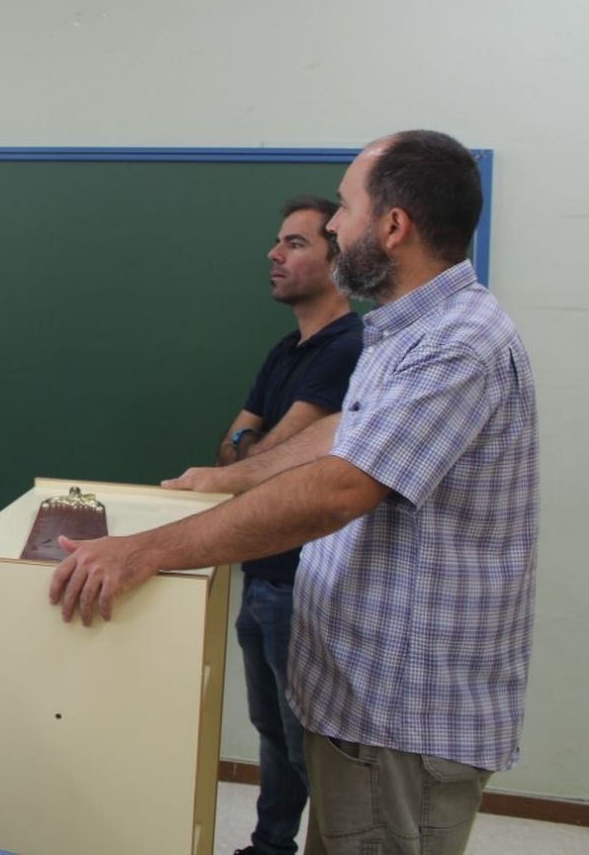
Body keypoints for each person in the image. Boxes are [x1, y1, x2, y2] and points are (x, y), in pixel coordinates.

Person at [49, 131, 537, 855]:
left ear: (394, 225)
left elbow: (340, 488)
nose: (336, 227)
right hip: (361, 708)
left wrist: (146, 552)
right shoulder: (403, 332)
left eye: (344, 208)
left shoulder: (458, 344)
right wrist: (227, 479)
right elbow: (346, 432)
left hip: (402, 719)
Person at [219, 197, 362, 855]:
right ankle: (269, 844)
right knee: (272, 732)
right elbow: (236, 450)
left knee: (310, 745)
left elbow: (270, 464)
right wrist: (257, 454)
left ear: (338, 261)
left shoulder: (349, 347)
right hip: (263, 572)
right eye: (277, 242)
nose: (275, 256)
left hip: (303, 581)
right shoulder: (287, 349)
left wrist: (255, 454)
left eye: (296, 244)